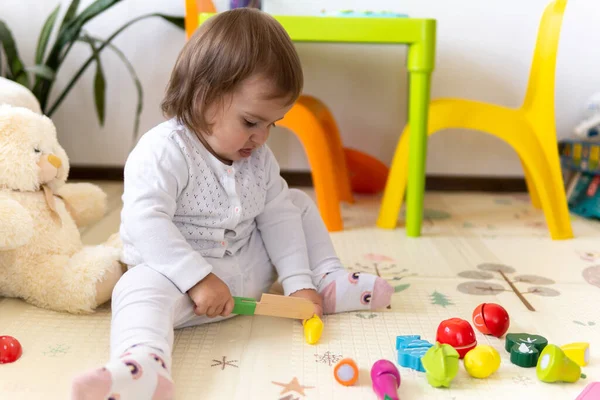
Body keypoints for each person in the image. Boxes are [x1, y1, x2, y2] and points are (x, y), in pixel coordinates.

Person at [71, 8, 393, 399]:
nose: (262, 138)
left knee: (293, 203)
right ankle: (145, 364)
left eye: (273, 124)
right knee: (135, 287)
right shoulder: (163, 151)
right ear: (204, 95)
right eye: (252, 122)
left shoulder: (258, 158)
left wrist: (297, 284)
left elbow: (278, 220)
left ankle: (327, 280)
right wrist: (197, 278)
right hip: (181, 283)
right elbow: (145, 222)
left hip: (249, 268)